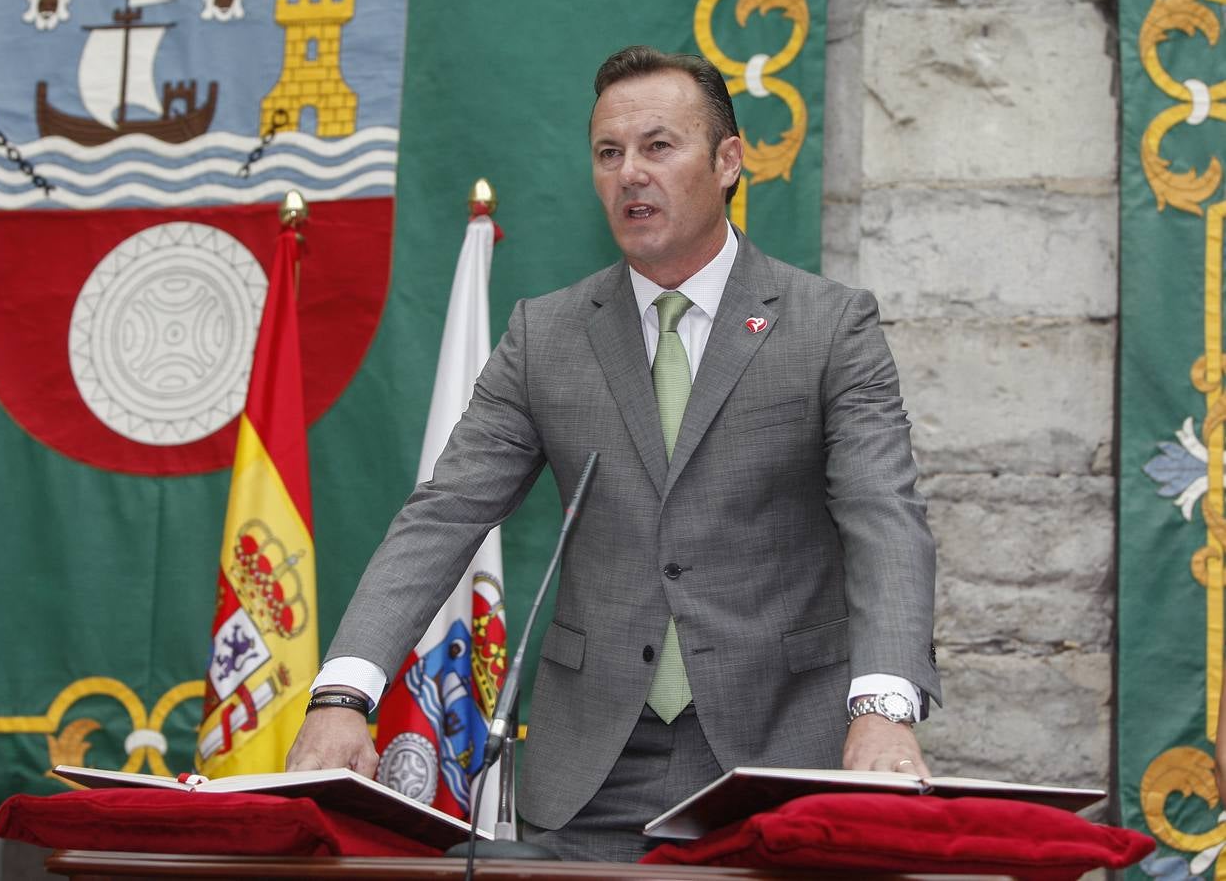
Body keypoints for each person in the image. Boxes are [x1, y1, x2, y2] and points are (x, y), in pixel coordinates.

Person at [287, 44, 942, 862]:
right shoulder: (545, 335)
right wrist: (345, 692)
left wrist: (883, 707)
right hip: (590, 769)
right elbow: (444, 514)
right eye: (609, 153)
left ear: (729, 160)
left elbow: (884, 519)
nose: (630, 172)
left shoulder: (828, 326)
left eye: (658, 147)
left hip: (780, 753)